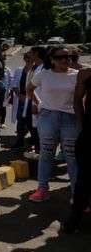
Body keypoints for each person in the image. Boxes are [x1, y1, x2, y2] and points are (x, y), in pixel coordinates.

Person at [27, 46, 79, 203]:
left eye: (68, 56)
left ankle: (77, 194)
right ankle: (42, 189)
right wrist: (40, 104)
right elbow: (30, 89)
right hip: (48, 117)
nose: (65, 59)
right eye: (60, 56)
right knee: (47, 154)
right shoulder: (44, 74)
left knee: (72, 157)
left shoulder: (77, 75)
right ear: (52, 59)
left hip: (71, 119)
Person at [62, 65, 91, 232]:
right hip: (88, 136)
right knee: (84, 178)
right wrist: (82, 126)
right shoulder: (86, 74)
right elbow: (77, 100)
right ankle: (76, 215)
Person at [23, 46, 47, 158]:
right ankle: (38, 151)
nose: (29, 55)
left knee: (39, 130)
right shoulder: (33, 68)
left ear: (36, 54)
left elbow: (43, 89)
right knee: (31, 126)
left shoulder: (44, 69)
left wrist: (37, 104)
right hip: (29, 101)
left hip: (37, 103)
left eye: (31, 53)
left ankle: (41, 154)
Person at [10, 52, 32, 149]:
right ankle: (20, 141)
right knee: (21, 121)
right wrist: (19, 96)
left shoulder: (36, 71)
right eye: (26, 57)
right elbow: (14, 85)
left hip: (32, 99)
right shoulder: (19, 70)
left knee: (32, 122)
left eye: (30, 57)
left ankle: (35, 141)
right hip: (21, 99)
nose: (28, 59)